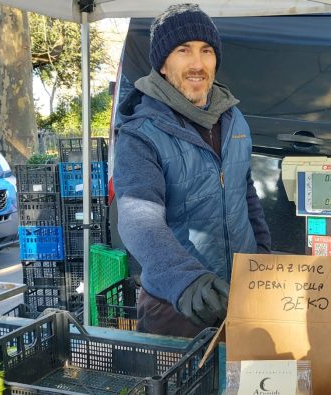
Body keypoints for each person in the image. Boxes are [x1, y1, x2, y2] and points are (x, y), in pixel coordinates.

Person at [112, 3, 271, 337]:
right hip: (177, 304)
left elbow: (245, 193)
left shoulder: (233, 118)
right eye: (183, 50)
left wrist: (263, 257)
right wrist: (188, 281)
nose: (198, 64)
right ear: (164, 65)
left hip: (238, 295)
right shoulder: (140, 133)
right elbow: (138, 220)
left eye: (206, 50)